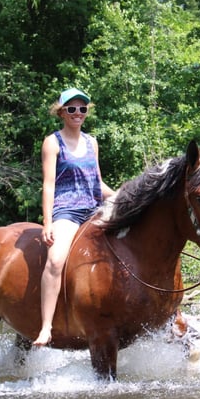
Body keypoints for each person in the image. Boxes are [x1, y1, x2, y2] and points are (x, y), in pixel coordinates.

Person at [34, 88, 115, 346]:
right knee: (56, 261)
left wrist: (122, 195)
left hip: (94, 209)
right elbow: (48, 185)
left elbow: (98, 183)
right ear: (62, 112)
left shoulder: (92, 143)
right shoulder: (53, 142)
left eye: (82, 109)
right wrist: (47, 221)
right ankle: (46, 327)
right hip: (67, 211)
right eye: (71, 109)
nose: (77, 113)